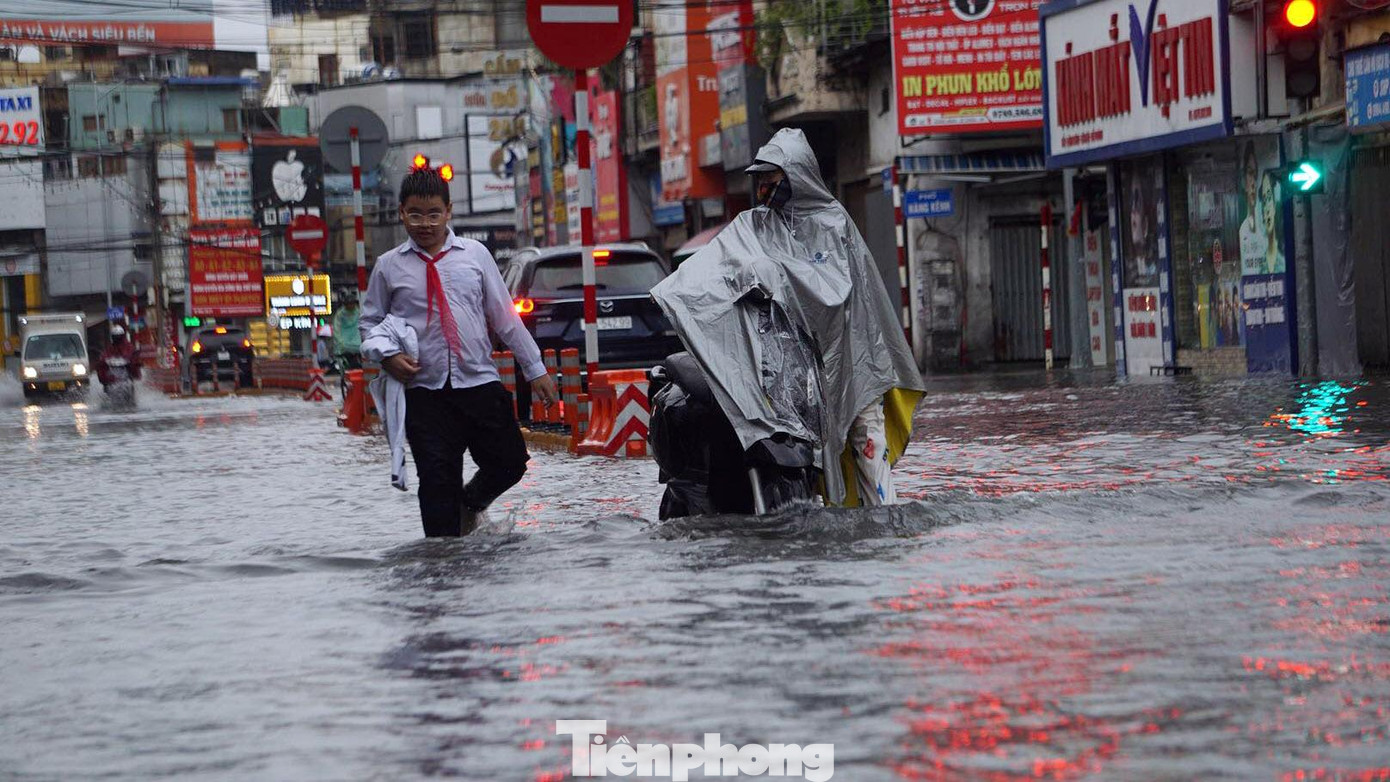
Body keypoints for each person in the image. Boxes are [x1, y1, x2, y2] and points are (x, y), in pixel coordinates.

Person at [656, 128, 924, 507]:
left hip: (851, 362)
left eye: (772, 178)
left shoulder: (833, 223)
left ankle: (885, 517)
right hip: (794, 371)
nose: (764, 188)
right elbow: (717, 266)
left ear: (796, 175)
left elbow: (834, 292)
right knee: (806, 456)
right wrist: (677, 292)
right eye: (760, 180)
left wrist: (778, 278)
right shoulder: (755, 225)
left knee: (868, 443)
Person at [360, 166, 558, 537]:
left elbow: (505, 318)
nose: (425, 224)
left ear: (449, 211)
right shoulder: (388, 267)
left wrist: (536, 369)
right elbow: (369, 324)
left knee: (510, 462)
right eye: (415, 214)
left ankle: (471, 504)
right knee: (437, 484)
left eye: (434, 214)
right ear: (401, 212)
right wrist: (387, 357)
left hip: (478, 383)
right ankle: (442, 561)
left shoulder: (475, 255)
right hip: (424, 393)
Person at [1238, 143, 1266, 276]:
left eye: (1255, 175)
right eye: (1250, 173)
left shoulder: (1266, 227)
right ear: (1243, 180)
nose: (1253, 182)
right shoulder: (1242, 231)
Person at [333, 297, 362, 371]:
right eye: (348, 304)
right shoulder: (340, 314)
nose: (350, 306)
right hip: (345, 345)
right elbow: (336, 329)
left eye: (352, 304)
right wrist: (340, 342)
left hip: (357, 344)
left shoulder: (359, 312)